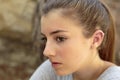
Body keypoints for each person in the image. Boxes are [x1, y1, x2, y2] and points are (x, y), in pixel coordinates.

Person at [30, 0, 120, 80]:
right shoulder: (51, 70)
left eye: (60, 38)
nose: (46, 52)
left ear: (96, 39)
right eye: (45, 38)